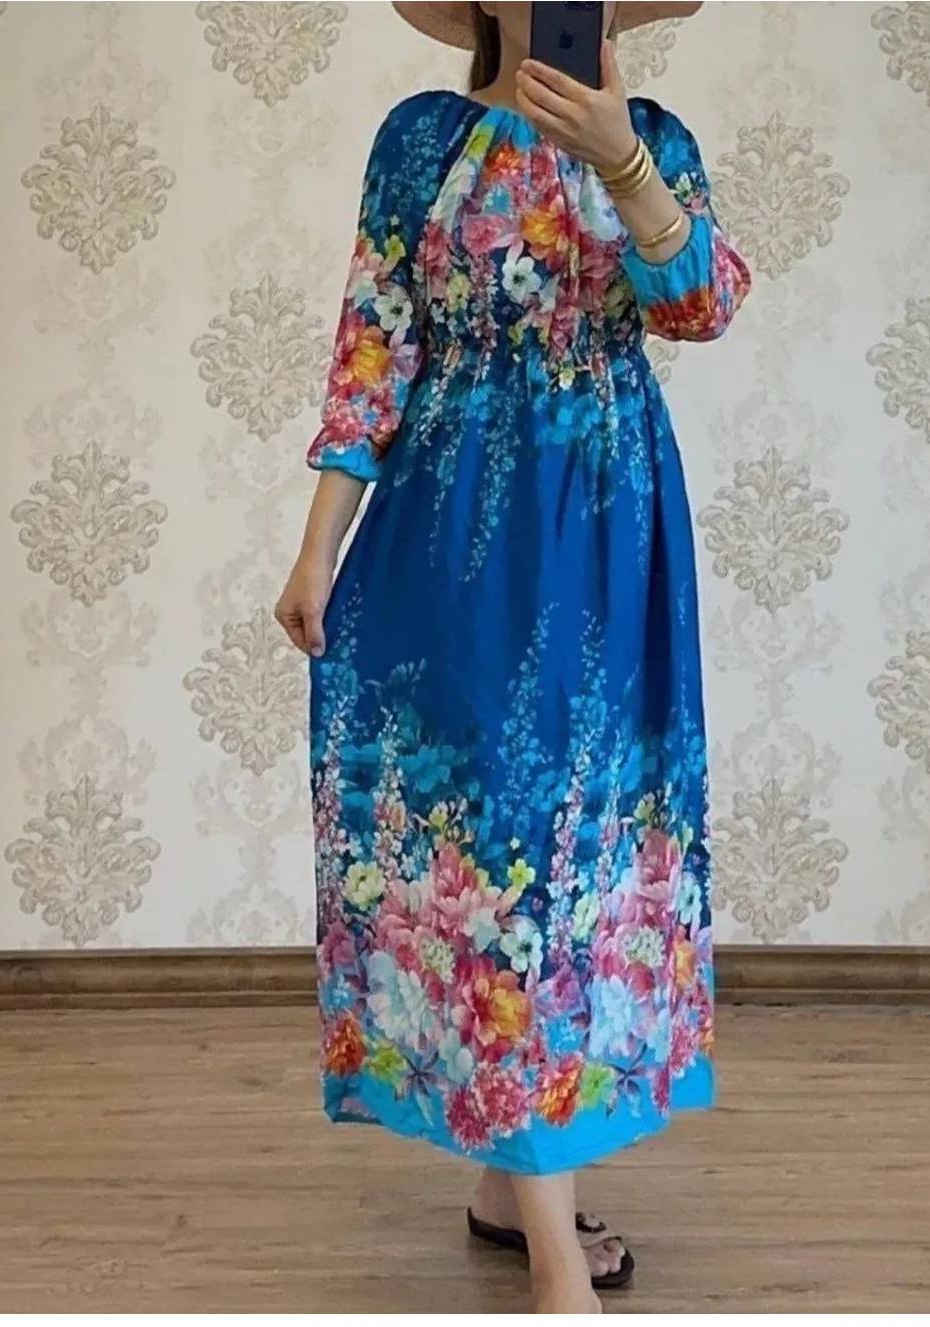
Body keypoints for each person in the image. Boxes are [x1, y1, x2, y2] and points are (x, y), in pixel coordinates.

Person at [275, 0, 751, 1312]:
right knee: (496, 859)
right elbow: (373, 353)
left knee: (576, 856)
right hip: (452, 537)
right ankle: (552, 1263)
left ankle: (508, 1189)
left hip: (606, 538)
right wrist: (316, 550)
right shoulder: (418, 143)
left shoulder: (655, 139)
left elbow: (703, 307)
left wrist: (622, 158)